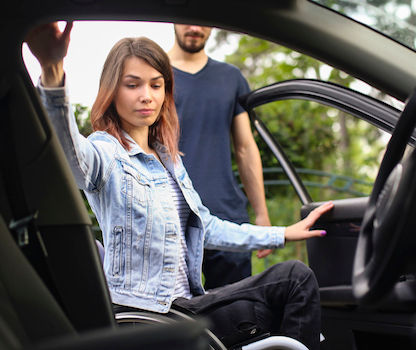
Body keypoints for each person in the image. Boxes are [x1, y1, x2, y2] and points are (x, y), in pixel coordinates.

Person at [25, 22, 333, 350]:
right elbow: (71, 158)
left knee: (289, 294)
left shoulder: (168, 160)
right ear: (113, 91)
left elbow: (207, 227)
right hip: (146, 316)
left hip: (185, 308)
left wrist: (281, 233)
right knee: (294, 280)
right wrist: (52, 69)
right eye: (133, 85)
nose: (147, 96)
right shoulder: (107, 150)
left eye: (156, 85)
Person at [168, 24, 272, 289]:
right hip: (171, 216)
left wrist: (261, 214)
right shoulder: (154, 77)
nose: (194, 28)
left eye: (202, 20)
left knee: (235, 315)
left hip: (227, 214)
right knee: (174, 318)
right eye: (186, 19)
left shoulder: (231, 77)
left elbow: (245, 148)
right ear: (173, 20)